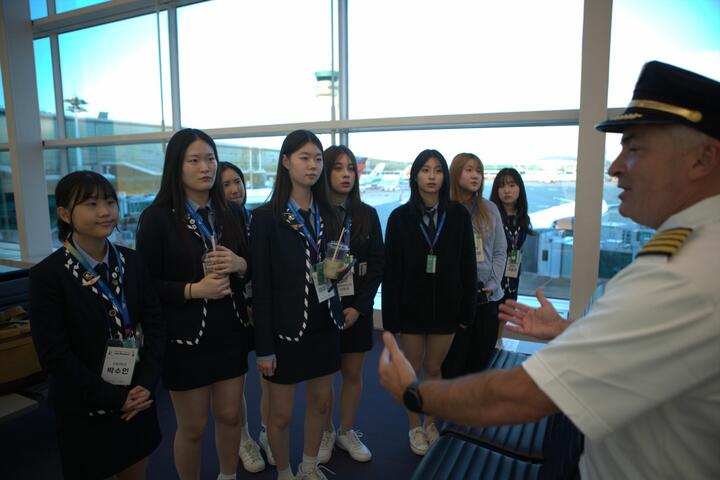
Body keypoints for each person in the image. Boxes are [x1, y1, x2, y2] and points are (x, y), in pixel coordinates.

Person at [379, 61, 720, 479]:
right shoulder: (697, 248)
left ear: (703, 159)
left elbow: (525, 396)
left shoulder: (688, 269)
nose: (614, 167)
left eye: (634, 148)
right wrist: (571, 331)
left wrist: (414, 394)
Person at [30, 171, 165, 480]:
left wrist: (145, 384)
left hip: (137, 396)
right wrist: (117, 398)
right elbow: (54, 355)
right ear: (64, 213)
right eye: (91, 204)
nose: (105, 212)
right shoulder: (48, 276)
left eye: (109, 202)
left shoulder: (132, 261)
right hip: (85, 406)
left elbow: (156, 325)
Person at [136, 128, 250, 480]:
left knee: (231, 415)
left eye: (211, 158)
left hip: (229, 331)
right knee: (194, 427)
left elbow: (252, 269)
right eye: (195, 160)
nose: (206, 167)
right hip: (184, 338)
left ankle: (228, 475)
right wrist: (192, 290)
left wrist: (241, 265)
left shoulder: (231, 213)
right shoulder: (157, 219)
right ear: (177, 166)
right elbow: (145, 286)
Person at [250, 130, 343, 480]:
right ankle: (285, 471)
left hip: (324, 324)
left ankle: (308, 465)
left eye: (318, 159)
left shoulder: (331, 214)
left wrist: (338, 269)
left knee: (320, 403)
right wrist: (264, 348)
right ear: (286, 162)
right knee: (281, 414)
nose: (313, 165)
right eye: (304, 157)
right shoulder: (265, 218)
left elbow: (334, 265)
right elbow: (260, 286)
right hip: (285, 330)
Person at [382, 149, 476, 455]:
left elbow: (467, 265)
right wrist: (390, 318)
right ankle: (414, 426)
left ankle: (431, 422)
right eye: (425, 170)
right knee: (411, 370)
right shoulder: (399, 218)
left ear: (444, 177)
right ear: (415, 176)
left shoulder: (459, 215)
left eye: (437, 170)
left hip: (446, 308)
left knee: (434, 369)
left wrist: (467, 309)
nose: (432, 176)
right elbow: (392, 271)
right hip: (411, 309)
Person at [319, 145, 384, 463]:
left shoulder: (367, 214)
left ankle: (346, 430)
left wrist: (360, 307)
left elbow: (376, 265)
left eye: (350, 168)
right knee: (324, 376)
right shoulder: (314, 212)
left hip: (355, 307)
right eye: (337, 168)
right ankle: (325, 431)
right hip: (322, 307)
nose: (346, 174)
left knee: (353, 373)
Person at [219, 161, 267, 473]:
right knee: (236, 383)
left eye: (237, 181)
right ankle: (243, 438)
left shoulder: (259, 218)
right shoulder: (216, 225)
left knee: (270, 376)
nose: (235, 189)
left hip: (263, 310)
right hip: (234, 311)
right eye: (226, 185)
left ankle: (269, 432)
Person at [443, 153, 507, 374]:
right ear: (456, 173)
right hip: (456, 298)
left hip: (487, 297)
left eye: (479, 171)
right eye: (469, 170)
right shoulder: (446, 209)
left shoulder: (490, 209)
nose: (475, 176)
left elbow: (500, 251)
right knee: (452, 365)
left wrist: (493, 282)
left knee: (480, 363)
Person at [489, 167, 534, 339]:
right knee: (492, 312)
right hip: (495, 274)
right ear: (496, 190)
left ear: (520, 189)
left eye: (512, 185)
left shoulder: (523, 218)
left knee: (507, 310)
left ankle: (499, 341)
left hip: (513, 273)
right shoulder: (491, 216)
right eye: (502, 186)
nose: (507, 190)